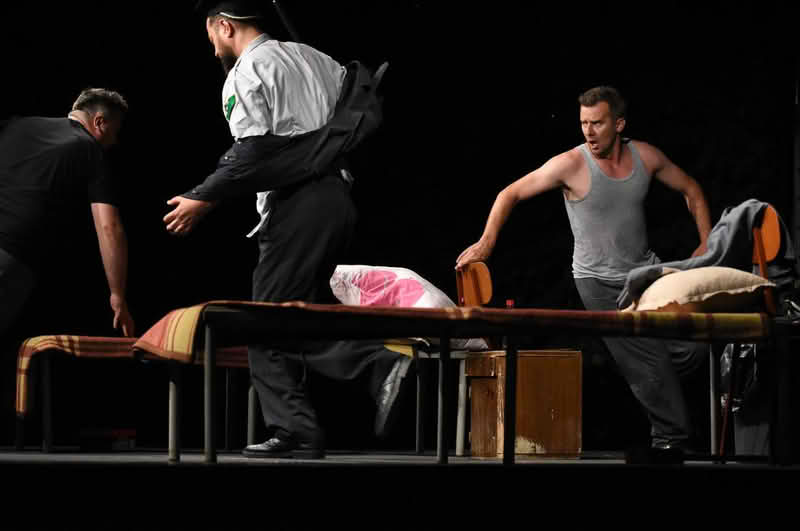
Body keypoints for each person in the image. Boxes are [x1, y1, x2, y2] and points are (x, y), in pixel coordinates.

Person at [162, 0, 412, 459]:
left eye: (210, 33)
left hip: (298, 205)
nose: (211, 45)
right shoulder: (315, 57)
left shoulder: (246, 72)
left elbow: (252, 152)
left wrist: (203, 196)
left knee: (265, 320)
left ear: (224, 26)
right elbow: (358, 118)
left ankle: (359, 376)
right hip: (338, 199)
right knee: (299, 315)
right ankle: (314, 418)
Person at [456, 86, 713, 464]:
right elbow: (509, 193)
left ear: (619, 124)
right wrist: (486, 243)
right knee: (645, 356)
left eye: (597, 123)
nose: (589, 132)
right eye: (583, 123)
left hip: (645, 274)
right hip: (597, 282)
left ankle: (655, 387)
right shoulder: (570, 165)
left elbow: (692, 190)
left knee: (694, 344)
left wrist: (706, 242)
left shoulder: (646, 156)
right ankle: (669, 440)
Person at [0, 88, 135, 341]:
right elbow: (109, 228)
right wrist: (118, 295)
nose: (114, 142)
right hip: (11, 255)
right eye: (115, 132)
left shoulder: (18, 125)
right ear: (99, 122)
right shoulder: (89, 149)